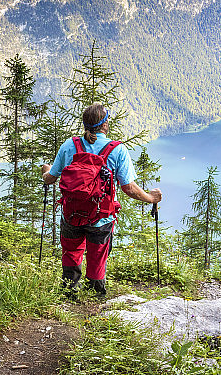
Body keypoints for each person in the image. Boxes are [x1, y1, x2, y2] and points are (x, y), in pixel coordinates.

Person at [41, 103, 161, 297]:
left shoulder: (69, 145)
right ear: (105, 125)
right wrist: (151, 198)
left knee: (71, 252)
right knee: (97, 257)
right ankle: (95, 297)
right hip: (101, 217)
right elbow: (128, 187)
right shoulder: (117, 150)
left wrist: (45, 170)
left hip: (72, 214)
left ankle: (69, 293)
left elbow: (51, 178)